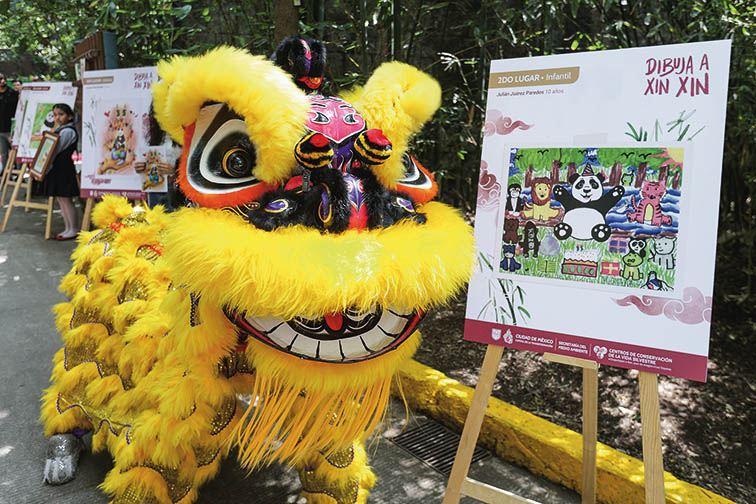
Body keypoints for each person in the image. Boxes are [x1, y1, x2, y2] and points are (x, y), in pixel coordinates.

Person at [39, 103, 79, 240]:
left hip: (63, 169)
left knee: (66, 199)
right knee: (61, 199)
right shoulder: (60, 129)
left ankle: (73, 229)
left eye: (61, 114)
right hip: (58, 169)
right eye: (55, 115)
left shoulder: (67, 131)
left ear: (70, 116)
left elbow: (54, 151)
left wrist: (44, 167)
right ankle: (68, 228)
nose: (57, 118)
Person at [0, 73, 19, 169]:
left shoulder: (14, 94)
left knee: (16, 151)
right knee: (3, 153)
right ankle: (5, 172)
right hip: (0, 130)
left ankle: (19, 172)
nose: (3, 81)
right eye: (0, 79)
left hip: (12, 129)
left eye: (4, 79)